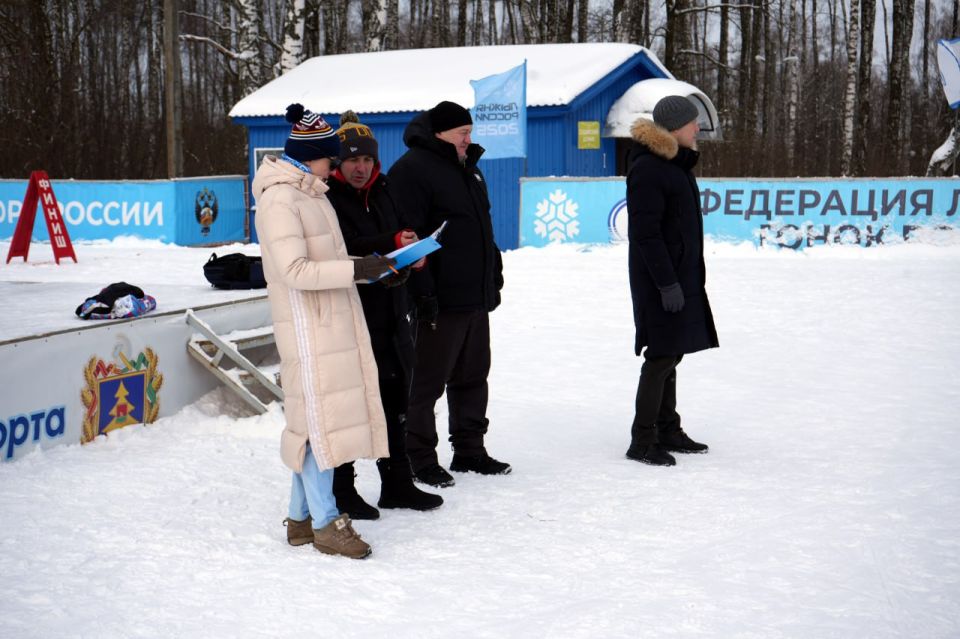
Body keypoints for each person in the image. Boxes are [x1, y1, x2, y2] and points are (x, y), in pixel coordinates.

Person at [252, 103, 399, 558]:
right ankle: (325, 522)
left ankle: (300, 519)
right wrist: (356, 270)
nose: (336, 166)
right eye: (331, 158)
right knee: (319, 426)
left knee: (314, 422)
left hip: (327, 322)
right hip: (307, 327)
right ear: (309, 156)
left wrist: (372, 267)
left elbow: (326, 262)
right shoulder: (280, 199)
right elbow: (295, 270)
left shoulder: (310, 194)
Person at [325, 110, 443, 518]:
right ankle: (342, 490)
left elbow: (399, 235)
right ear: (338, 162)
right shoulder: (327, 198)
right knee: (351, 405)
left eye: (367, 160)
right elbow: (344, 247)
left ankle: (397, 482)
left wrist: (412, 253)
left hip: (392, 313)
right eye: (352, 160)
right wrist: (391, 242)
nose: (360, 168)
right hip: (352, 316)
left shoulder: (385, 189)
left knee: (395, 398)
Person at [387, 100, 508, 488]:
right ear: (439, 133)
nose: (468, 139)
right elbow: (409, 239)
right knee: (425, 383)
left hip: (473, 295)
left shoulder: (469, 168)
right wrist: (422, 293)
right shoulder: (412, 170)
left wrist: (493, 274)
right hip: (436, 298)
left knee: (473, 376)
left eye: (470, 132)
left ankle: (470, 450)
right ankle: (419, 457)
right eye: (462, 133)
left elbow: (481, 229)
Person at [624, 95, 719, 467]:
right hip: (659, 280)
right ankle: (643, 440)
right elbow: (646, 234)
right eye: (692, 122)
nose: (697, 128)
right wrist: (666, 283)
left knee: (673, 351)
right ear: (676, 126)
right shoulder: (649, 168)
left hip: (679, 276)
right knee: (661, 355)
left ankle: (667, 429)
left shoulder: (676, 164)